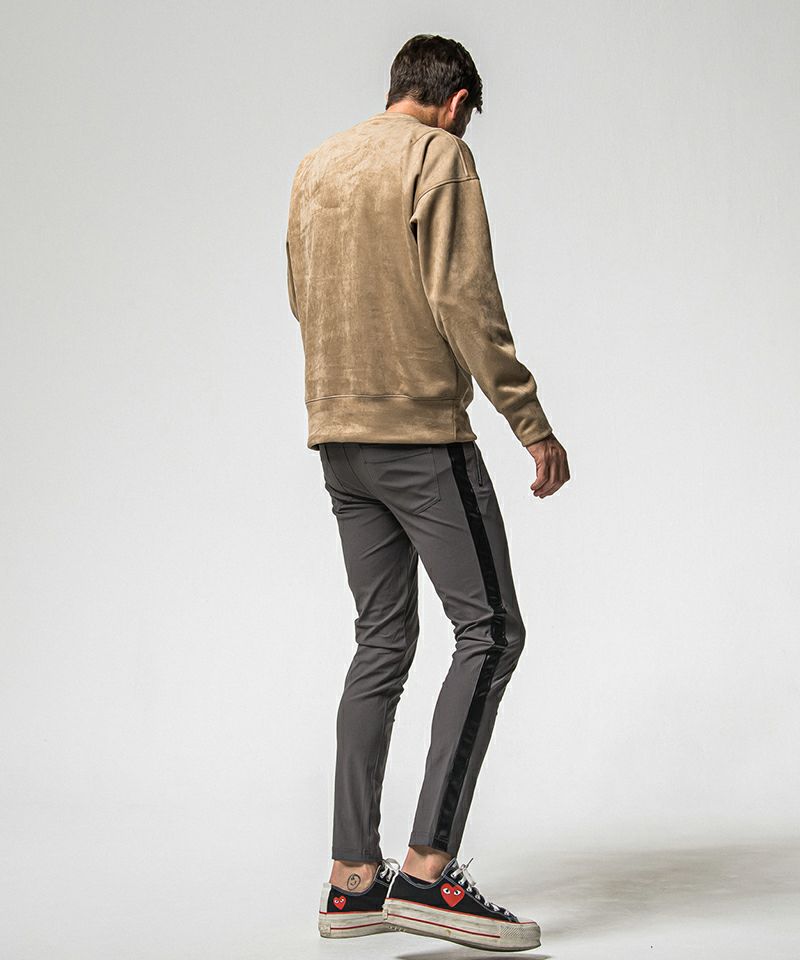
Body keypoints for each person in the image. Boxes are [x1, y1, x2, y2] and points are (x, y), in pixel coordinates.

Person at [286, 33, 570, 951]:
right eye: (467, 117)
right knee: (492, 632)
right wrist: (530, 420)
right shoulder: (439, 156)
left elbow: (301, 294)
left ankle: (351, 883)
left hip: (338, 439)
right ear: (455, 103)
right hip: (419, 438)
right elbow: (464, 298)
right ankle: (426, 874)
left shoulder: (317, 165)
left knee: (381, 642)